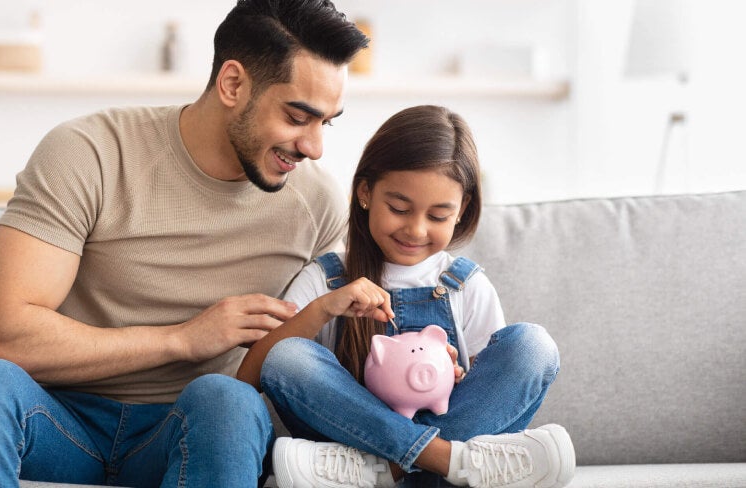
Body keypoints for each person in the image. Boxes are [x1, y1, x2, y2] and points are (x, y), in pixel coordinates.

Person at [0, 1, 369, 487]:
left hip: (191, 428)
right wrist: (182, 338)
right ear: (233, 84)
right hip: (58, 420)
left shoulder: (317, 203)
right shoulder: (90, 152)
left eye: (326, 123)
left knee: (228, 402)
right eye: (297, 116)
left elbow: (327, 354)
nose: (314, 146)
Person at [237, 105, 576, 488]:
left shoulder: (465, 284)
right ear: (365, 192)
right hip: (352, 435)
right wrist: (323, 309)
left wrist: (458, 374)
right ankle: (447, 462)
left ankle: (383, 471)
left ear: (461, 210)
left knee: (533, 346)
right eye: (399, 208)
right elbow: (252, 376)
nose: (415, 229)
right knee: (288, 356)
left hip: (346, 466)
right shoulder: (328, 277)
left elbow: (490, 394)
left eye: (437, 216)